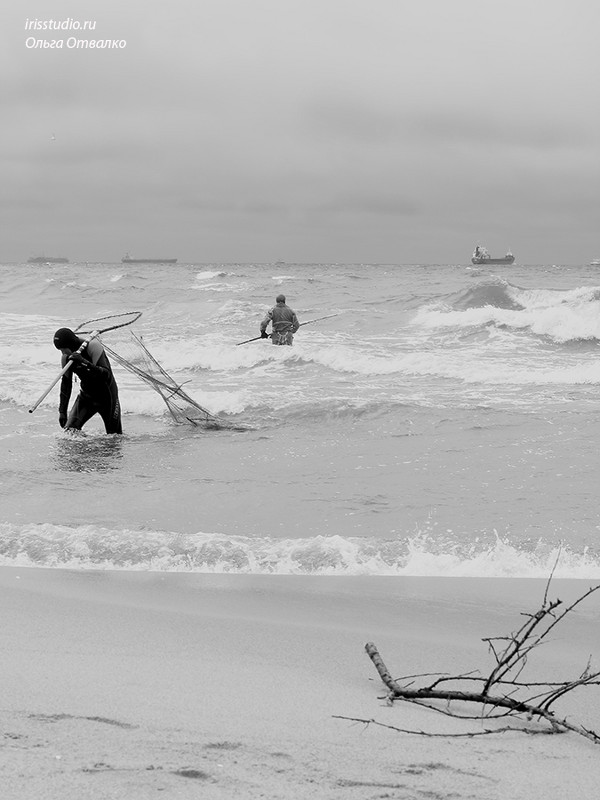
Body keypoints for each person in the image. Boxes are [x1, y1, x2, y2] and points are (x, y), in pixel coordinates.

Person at [53, 328, 122, 434]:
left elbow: (106, 375)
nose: (63, 352)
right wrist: (62, 411)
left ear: (71, 344)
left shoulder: (93, 346)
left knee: (115, 437)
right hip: (87, 397)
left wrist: (83, 362)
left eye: (63, 349)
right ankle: (87, 450)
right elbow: (66, 385)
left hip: (108, 397)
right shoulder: (66, 358)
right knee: (70, 432)